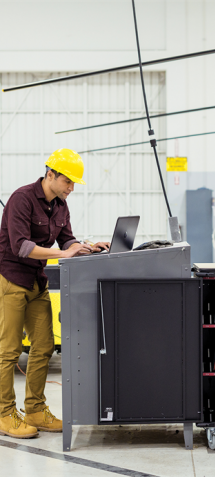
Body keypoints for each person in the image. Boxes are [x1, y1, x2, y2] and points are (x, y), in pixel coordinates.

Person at [0, 148, 110, 439]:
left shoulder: (60, 205)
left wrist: (86, 246)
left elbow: (67, 239)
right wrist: (64, 252)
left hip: (37, 282)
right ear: (50, 175)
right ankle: (4, 413)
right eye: (68, 182)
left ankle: (35, 409)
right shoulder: (21, 199)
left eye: (74, 184)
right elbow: (21, 246)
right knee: (9, 351)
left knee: (44, 346)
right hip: (11, 280)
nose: (71, 188)